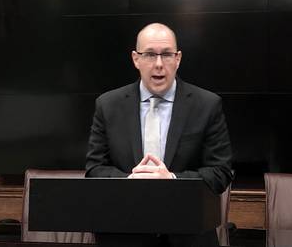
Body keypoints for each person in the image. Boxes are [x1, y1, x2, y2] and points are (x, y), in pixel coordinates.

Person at [85, 22, 233, 195]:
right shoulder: (108, 105)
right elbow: (94, 169)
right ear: (136, 59)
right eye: (149, 54)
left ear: (178, 59)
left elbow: (221, 173)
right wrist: (128, 181)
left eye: (167, 54)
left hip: (182, 213)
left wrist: (172, 179)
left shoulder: (207, 105)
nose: (159, 64)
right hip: (123, 212)